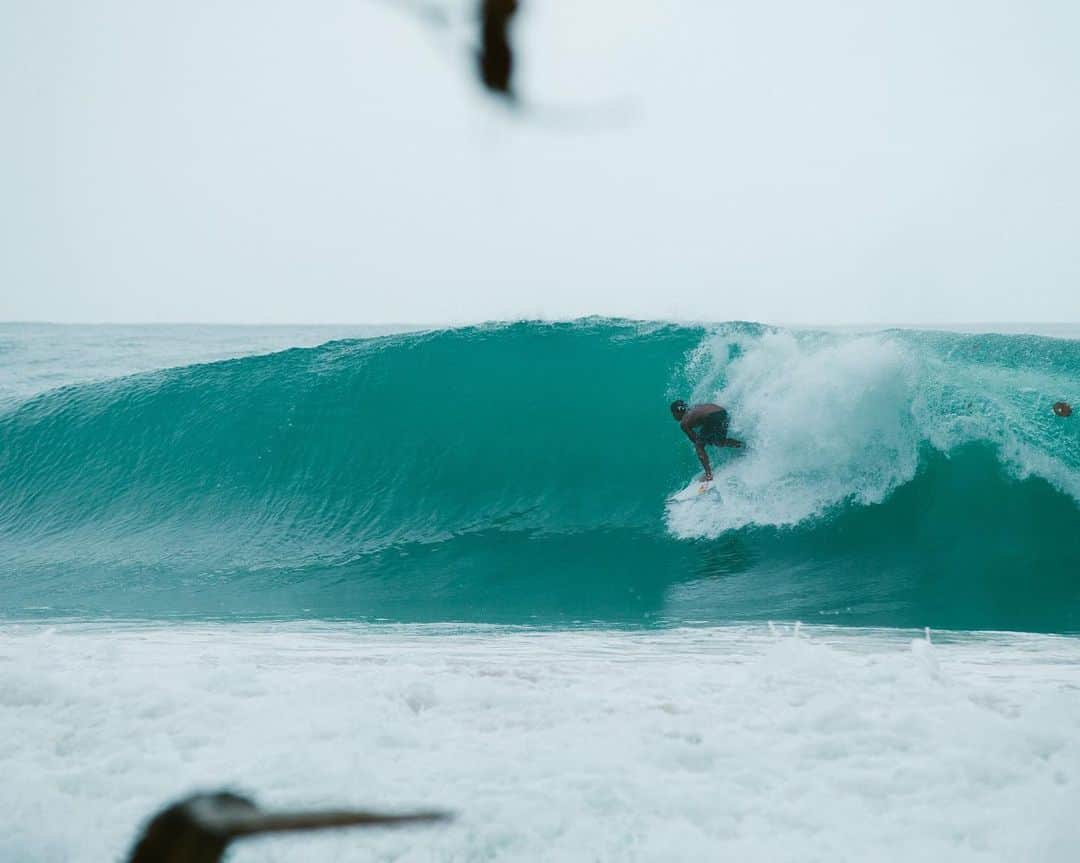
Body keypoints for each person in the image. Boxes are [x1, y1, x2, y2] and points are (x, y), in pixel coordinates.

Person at [670, 400, 742, 482]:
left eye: (673, 414)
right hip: (722, 413)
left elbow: (695, 440)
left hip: (712, 417)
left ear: (677, 412)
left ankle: (708, 474)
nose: (674, 416)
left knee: (699, 446)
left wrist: (704, 441)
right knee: (720, 441)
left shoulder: (684, 422)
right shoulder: (695, 407)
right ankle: (743, 446)